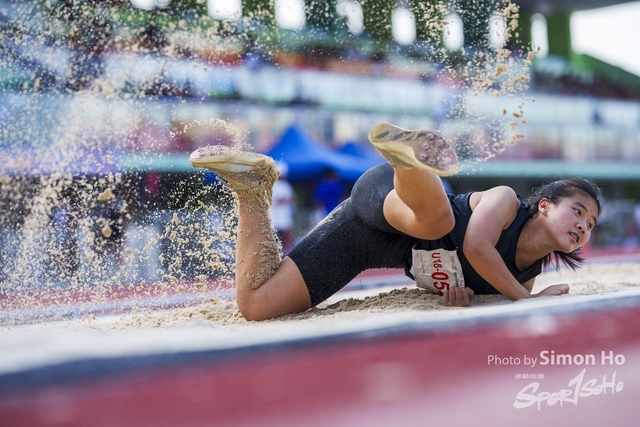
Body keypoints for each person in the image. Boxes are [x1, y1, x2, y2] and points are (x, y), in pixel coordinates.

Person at [189, 123, 602, 321]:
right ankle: (407, 157)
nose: (584, 226)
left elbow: (464, 278)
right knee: (436, 222)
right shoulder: (506, 201)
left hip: (363, 240)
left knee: (256, 307)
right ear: (544, 205)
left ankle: (251, 188)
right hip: (390, 194)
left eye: (591, 224)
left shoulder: (522, 279)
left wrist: (463, 295)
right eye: (578, 211)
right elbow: (476, 246)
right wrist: (526, 302)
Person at [270, 161, 296, 254]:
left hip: (285, 217)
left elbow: (292, 199)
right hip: (275, 218)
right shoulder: (272, 186)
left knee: (288, 239)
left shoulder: (286, 185)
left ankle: (287, 255)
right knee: (275, 240)